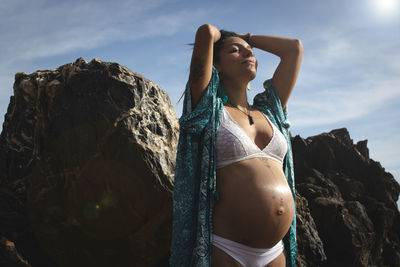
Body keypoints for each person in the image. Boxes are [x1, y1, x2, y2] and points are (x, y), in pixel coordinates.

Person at [170, 24, 303, 267]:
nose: (249, 54)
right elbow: (206, 33)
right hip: (227, 250)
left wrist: (245, 39)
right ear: (216, 65)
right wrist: (222, 36)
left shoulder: (271, 111)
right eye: (235, 51)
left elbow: (293, 49)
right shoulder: (208, 110)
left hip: (275, 252)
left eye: (251, 51)